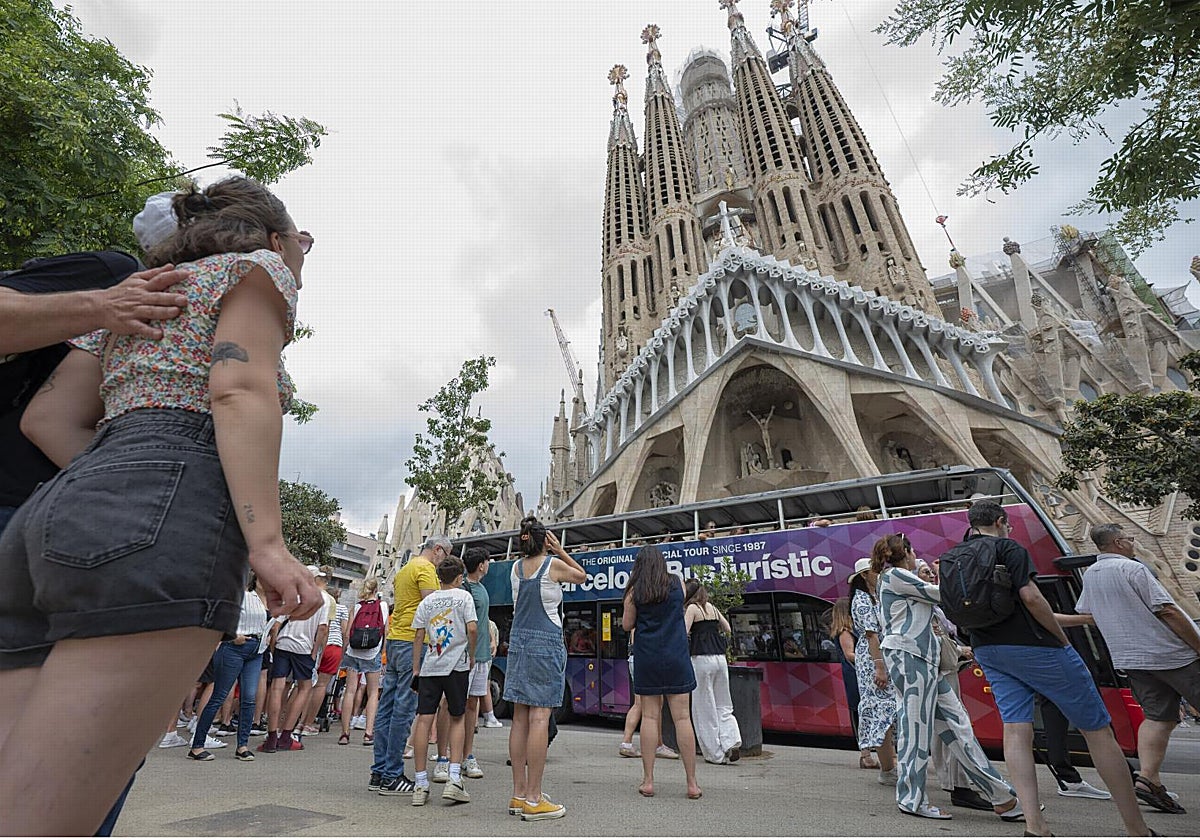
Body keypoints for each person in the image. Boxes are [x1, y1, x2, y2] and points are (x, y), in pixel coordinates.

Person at [0, 178, 323, 834]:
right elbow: (239, 386)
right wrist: (267, 543)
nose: (301, 257)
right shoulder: (253, 271)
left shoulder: (141, 302)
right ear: (273, 240)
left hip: (49, 517)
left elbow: (48, 419)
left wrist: (111, 479)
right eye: (302, 244)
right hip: (164, 510)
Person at [959, 501, 1151, 838]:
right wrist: (1061, 639)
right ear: (1002, 521)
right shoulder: (1009, 547)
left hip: (987, 649)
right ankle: (1136, 829)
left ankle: (1035, 826)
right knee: (1098, 731)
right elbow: (1032, 599)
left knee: (1016, 731)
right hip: (1036, 649)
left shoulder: (955, 555)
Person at [873, 535, 1020, 820]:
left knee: (958, 725)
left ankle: (1001, 796)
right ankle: (911, 799)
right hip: (910, 655)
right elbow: (941, 595)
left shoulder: (893, 577)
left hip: (921, 659)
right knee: (917, 728)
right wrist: (956, 573)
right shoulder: (896, 575)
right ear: (906, 552)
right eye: (913, 550)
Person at [1071, 523, 1200, 815]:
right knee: (1162, 717)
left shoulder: (1091, 573)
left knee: (1158, 718)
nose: (1133, 543)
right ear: (1118, 542)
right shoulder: (1133, 569)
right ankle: (1148, 780)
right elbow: (1166, 609)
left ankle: (1148, 779)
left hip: (1132, 659)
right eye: (1129, 539)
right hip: (1172, 654)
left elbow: (1089, 613)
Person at [504, 516, 586, 821]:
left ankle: (518, 793)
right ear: (544, 541)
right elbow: (582, 576)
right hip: (544, 645)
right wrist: (560, 550)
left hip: (518, 644)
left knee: (520, 718)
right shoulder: (552, 565)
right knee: (541, 718)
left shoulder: (514, 569)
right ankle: (535, 799)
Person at [372, 535, 451, 795]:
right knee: (404, 710)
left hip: (394, 640)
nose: (444, 562)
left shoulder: (406, 568)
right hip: (412, 644)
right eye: (445, 555)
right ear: (437, 550)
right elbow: (433, 607)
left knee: (387, 707)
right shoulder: (426, 570)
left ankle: (379, 771)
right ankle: (393, 775)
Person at [622, 546, 701, 800]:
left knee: (651, 718)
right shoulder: (677, 583)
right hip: (676, 656)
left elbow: (626, 624)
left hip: (648, 658)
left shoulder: (636, 591)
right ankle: (692, 784)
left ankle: (648, 781)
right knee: (682, 719)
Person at [409, 555, 478, 806]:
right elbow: (472, 629)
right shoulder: (464, 597)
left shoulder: (428, 602)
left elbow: (418, 636)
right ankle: (454, 778)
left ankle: (420, 783)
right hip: (456, 667)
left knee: (424, 720)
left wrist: (417, 667)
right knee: (457, 718)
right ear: (459, 578)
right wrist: (470, 655)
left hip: (430, 667)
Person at [187, 575, 269, 761]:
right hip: (234, 647)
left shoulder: (271, 600)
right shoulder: (243, 595)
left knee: (249, 698)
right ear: (256, 579)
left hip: (257, 650)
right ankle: (197, 745)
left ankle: (242, 746)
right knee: (219, 696)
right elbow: (220, 615)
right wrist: (231, 635)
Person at [259, 565, 331, 752]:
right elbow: (323, 629)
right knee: (304, 688)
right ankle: (286, 735)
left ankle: (271, 736)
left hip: (284, 643)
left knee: (277, 687)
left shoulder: (291, 594)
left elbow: (276, 625)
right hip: (304, 647)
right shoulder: (322, 598)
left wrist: (274, 648)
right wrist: (315, 652)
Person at [847, 557, 898, 784]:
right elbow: (871, 635)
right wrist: (879, 666)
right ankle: (887, 769)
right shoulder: (862, 600)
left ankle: (890, 766)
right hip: (874, 660)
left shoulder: (874, 597)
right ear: (864, 576)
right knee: (882, 713)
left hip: (882, 658)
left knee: (888, 712)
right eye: (874, 571)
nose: (879, 575)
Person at [684, 579, 741, 765]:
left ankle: (715, 754)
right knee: (723, 703)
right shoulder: (713, 608)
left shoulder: (692, 609)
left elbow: (683, 631)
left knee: (703, 707)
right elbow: (728, 628)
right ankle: (731, 740)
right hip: (720, 659)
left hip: (701, 658)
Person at [339, 577, 388, 746]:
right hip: (372, 652)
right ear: (376, 590)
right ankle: (368, 733)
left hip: (354, 651)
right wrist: (383, 652)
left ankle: (345, 733)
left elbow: (347, 633)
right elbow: (385, 631)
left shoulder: (358, 606)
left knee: (350, 690)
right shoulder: (383, 606)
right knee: (373, 692)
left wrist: (344, 651)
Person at [828, 596, 875, 768]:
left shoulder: (850, 630)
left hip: (856, 675)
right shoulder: (845, 631)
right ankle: (866, 755)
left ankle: (868, 754)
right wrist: (872, 659)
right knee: (859, 711)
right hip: (856, 675)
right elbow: (850, 654)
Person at [302, 566, 348, 737]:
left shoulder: (314, 597)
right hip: (331, 644)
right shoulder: (335, 605)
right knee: (320, 685)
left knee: (305, 684)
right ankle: (307, 723)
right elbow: (342, 631)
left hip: (314, 642)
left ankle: (295, 720)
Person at [460, 546, 492, 779]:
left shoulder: (481, 588)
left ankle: (467, 755)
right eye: (487, 561)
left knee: (472, 706)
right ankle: (448, 753)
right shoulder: (464, 588)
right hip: (465, 657)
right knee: (453, 707)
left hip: (481, 657)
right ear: (481, 565)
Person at [479, 617, 503, 728]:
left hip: (479, 653)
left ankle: (485, 718)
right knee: (483, 687)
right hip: (482, 654)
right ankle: (489, 717)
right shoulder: (488, 622)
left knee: (480, 688)